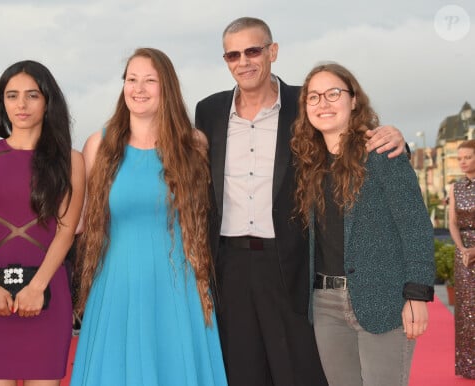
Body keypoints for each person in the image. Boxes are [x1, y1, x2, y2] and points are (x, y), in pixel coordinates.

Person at [194, 17, 407, 386]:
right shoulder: (208, 111)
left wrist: (391, 136)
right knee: (241, 372)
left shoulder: (303, 103)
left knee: (300, 372)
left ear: (272, 52)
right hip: (228, 266)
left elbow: (352, 135)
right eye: (232, 54)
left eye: (253, 50)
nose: (243, 61)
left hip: (289, 264)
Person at [71, 47, 227, 386]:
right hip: (116, 283)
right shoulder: (99, 146)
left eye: (150, 80)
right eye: (131, 79)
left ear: (166, 87)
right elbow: (79, 222)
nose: (138, 89)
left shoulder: (194, 145)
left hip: (178, 283)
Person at [291, 62, 435, 385]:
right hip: (326, 304)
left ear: (354, 99)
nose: (323, 103)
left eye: (333, 93)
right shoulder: (307, 162)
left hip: (383, 298)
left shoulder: (381, 152)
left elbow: (415, 225)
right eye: (313, 97)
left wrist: (417, 294)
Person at [0, 60, 85, 385]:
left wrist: (37, 287)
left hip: (46, 296)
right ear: (1, 102)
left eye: (32, 95)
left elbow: (66, 229)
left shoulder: (70, 160)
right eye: (12, 95)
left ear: (47, 101)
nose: (21, 104)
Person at [448, 139, 475, 379]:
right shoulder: (455, 187)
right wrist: (463, 249)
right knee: (466, 307)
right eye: (460, 158)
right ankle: (468, 365)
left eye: (468, 156)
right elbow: (453, 223)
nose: (463, 161)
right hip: (463, 252)